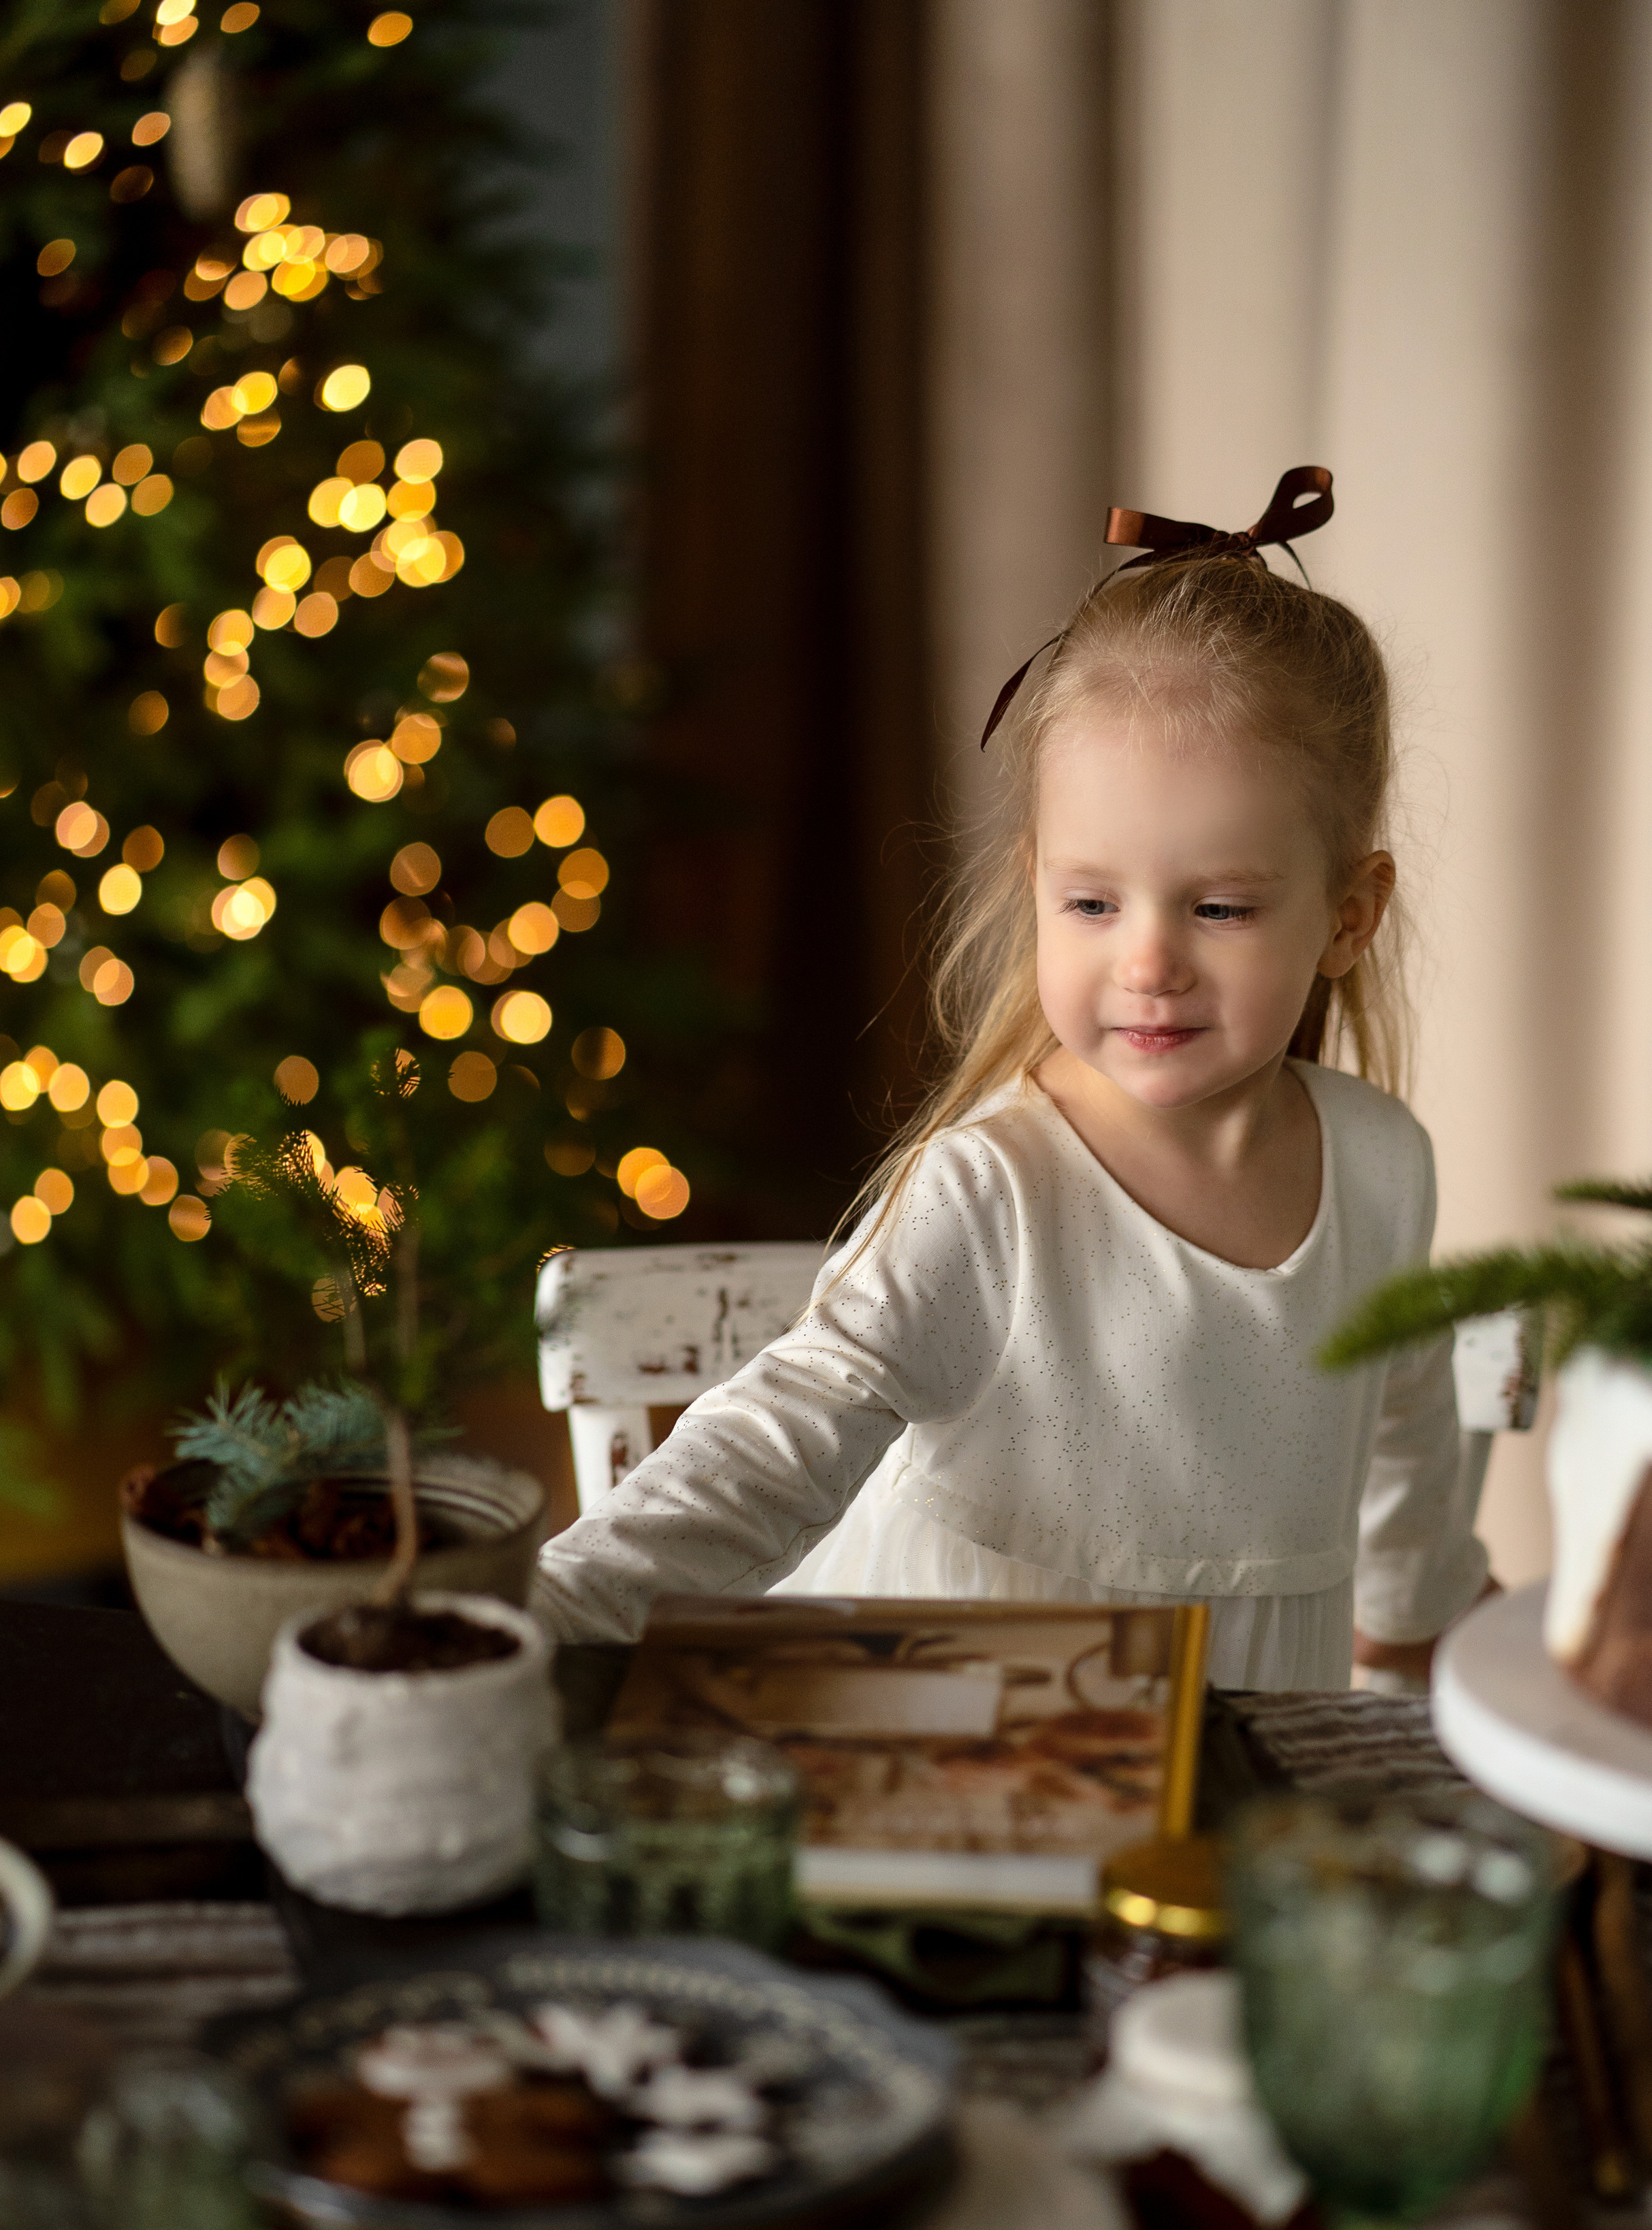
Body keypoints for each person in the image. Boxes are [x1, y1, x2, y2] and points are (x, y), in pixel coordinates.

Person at [532, 472, 1490, 1690]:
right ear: (1037, 881)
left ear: (1348, 917)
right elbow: (780, 1441)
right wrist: (553, 1612)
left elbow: (1406, 1413)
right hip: (967, 1714)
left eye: (1220, 907)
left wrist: (1413, 1611)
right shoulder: (989, 1194)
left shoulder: (1382, 1163)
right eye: (1091, 902)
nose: (1147, 960)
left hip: (1266, 1729)